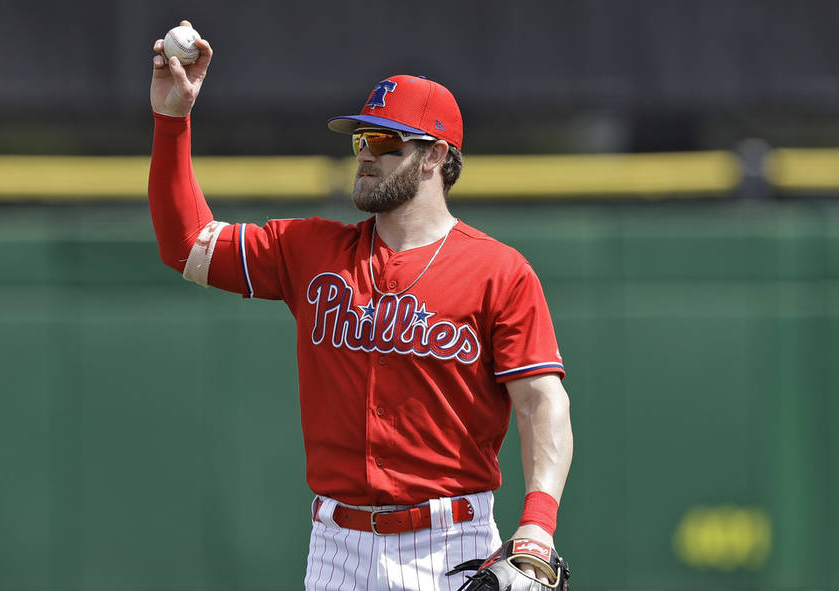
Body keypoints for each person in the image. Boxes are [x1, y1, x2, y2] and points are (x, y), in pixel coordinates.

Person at [148, 21, 573, 591]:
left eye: (384, 141)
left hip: (453, 545)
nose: (364, 154)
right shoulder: (310, 250)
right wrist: (173, 119)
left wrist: (537, 529)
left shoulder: (500, 271)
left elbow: (541, 402)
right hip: (336, 546)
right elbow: (187, 245)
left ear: (434, 156)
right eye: (360, 140)